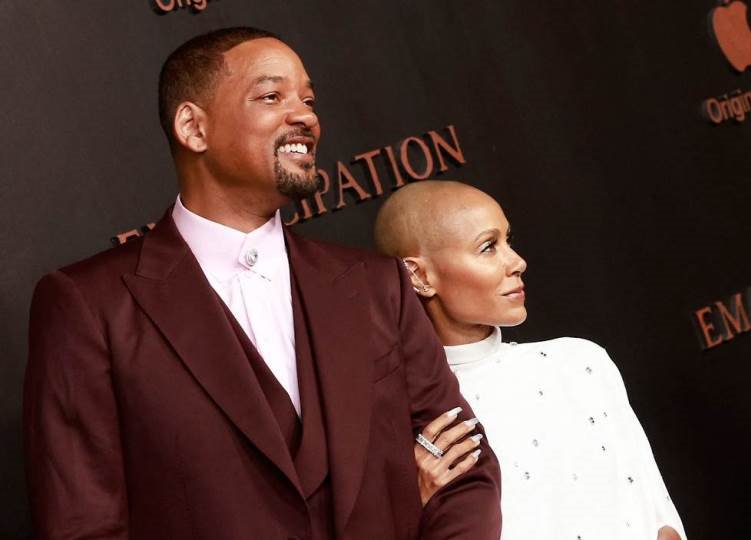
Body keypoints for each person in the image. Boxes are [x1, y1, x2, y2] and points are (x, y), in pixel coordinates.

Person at [23, 28, 501, 540]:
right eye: (272, 96)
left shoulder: (378, 285)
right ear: (193, 128)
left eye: (308, 100)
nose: (305, 117)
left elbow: (466, 472)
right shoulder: (88, 306)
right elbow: (83, 523)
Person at [374, 180, 686, 540]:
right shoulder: (405, 422)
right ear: (419, 275)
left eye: (508, 241)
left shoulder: (579, 363)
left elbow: (662, 522)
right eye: (488, 247)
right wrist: (413, 501)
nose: (517, 262)